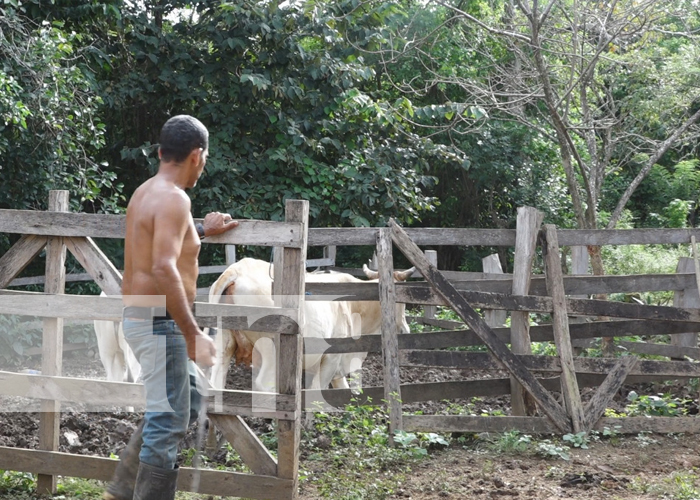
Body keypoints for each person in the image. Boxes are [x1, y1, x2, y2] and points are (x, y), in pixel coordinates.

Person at [104, 115, 239, 500]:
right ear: (197, 155)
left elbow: (159, 251)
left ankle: (120, 492)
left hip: (143, 317)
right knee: (167, 422)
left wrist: (201, 232)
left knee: (191, 395)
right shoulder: (176, 199)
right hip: (160, 323)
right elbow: (162, 267)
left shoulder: (146, 191)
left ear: (162, 152)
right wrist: (193, 333)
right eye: (206, 158)